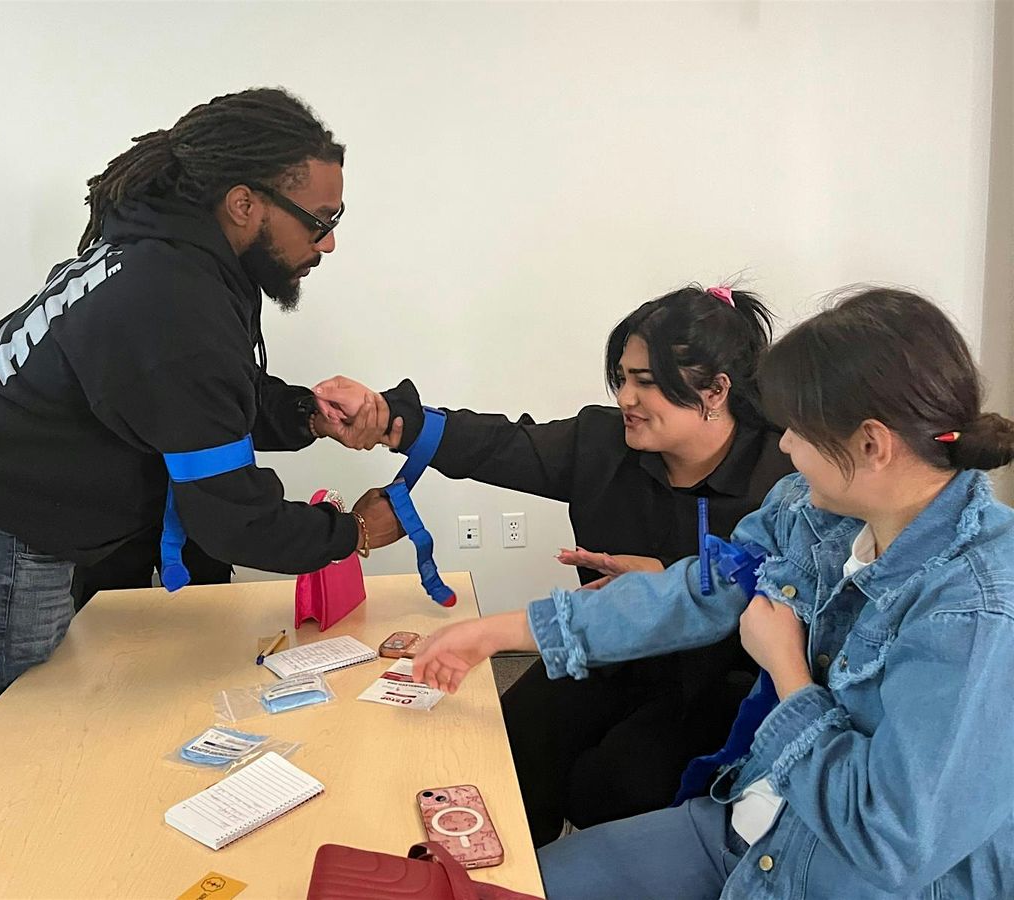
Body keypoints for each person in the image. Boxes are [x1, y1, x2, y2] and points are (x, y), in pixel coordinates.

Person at [413, 287, 1014, 899]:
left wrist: (787, 672)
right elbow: (698, 591)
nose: (784, 445)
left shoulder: (975, 610)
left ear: (872, 445)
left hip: (834, 872)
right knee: (514, 884)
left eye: (799, 430)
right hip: (750, 820)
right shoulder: (809, 511)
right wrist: (499, 631)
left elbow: (889, 838)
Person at [0, 87, 402, 751]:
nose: (329, 243)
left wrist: (309, 415)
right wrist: (356, 531)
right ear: (245, 204)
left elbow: (201, 399)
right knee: (7, 756)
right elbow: (234, 519)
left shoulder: (165, 252)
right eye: (319, 221)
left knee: (37, 736)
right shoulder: (175, 298)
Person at [321, 284, 793, 844]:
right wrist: (389, 421)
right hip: (605, 651)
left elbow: (787, 603)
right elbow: (501, 445)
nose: (626, 398)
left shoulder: (783, 476)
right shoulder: (603, 443)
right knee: (510, 747)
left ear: (716, 390)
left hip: (718, 678)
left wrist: (665, 578)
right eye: (622, 378)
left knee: (615, 785)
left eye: (646, 382)